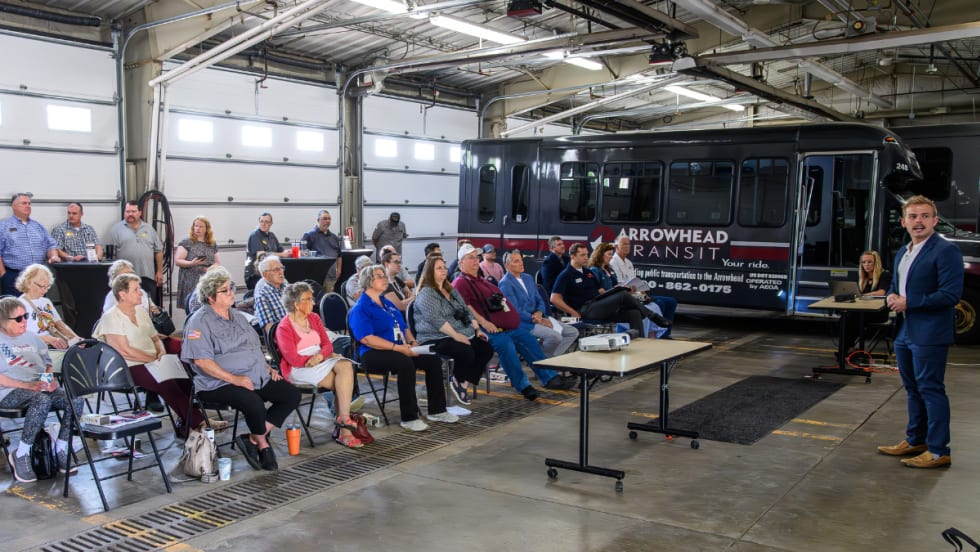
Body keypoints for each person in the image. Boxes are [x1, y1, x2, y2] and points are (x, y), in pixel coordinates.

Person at [181, 267, 302, 472]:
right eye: (225, 290)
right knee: (253, 403)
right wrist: (235, 379)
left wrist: (266, 367)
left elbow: (252, 347)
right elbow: (201, 361)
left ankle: (253, 437)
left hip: (254, 375)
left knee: (291, 395)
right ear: (211, 297)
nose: (231, 293)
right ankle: (263, 444)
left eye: (231, 288)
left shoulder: (237, 315)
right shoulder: (198, 322)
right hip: (218, 382)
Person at [878, 195, 963, 469]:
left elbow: (950, 294)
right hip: (905, 329)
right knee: (912, 388)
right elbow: (897, 285)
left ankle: (938, 451)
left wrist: (909, 302)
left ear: (935, 221)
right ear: (903, 222)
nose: (919, 221)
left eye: (925, 216)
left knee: (930, 389)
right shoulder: (904, 251)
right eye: (913, 216)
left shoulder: (946, 250)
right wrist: (891, 296)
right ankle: (916, 440)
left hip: (930, 332)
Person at [93, 273, 214, 438]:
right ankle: (199, 423)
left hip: (152, 360)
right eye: (136, 290)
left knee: (184, 375)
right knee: (166, 382)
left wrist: (161, 351)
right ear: (122, 294)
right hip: (127, 366)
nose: (141, 293)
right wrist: (153, 359)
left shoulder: (140, 311)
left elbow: (155, 337)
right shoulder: (111, 317)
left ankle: (186, 423)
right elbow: (124, 351)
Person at [452, 244, 573, 401]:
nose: (476, 261)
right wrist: (484, 323)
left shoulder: (482, 282)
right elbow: (466, 307)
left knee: (528, 339)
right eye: (471, 258)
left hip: (503, 325)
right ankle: (523, 385)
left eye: (476, 257)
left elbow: (502, 303)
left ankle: (549, 377)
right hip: (482, 328)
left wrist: (509, 318)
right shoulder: (460, 283)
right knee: (505, 344)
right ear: (461, 262)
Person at [349, 265, 457, 431]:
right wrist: (397, 348)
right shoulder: (360, 308)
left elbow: (404, 327)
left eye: (384, 275)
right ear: (368, 281)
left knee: (432, 360)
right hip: (373, 353)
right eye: (379, 276)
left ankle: (437, 410)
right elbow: (367, 339)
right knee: (405, 363)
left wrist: (413, 342)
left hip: (400, 348)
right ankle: (409, 417)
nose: (385, 279)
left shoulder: (386, 303)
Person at [0, 297, 84, 483]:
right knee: (41, 400)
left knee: (76, 399)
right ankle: (21, 454)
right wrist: (29, 386)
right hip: (8, 391)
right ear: (4, 321)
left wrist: (48, 381)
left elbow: (47, 363)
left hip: (37, 387)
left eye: (26, 316)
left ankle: (61, 447)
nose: (24, 321)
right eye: (19, 319)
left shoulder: (32, 337)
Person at [275, 282, 365, 449]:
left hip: (320, 360)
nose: (313, 302)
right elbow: (293, 359)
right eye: (308, 299)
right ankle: (344, 430)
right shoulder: (284, 327)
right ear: (296, 304)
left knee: (345, 366)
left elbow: (327, 345)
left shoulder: (314, 318)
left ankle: (343, 421)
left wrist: (320, 356)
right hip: (300, 368)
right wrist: (320, 357)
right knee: (342, 382)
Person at [413, 256, 494, 405]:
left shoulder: (450, 289)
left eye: (444, 267)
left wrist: (477, 329)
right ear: (430, 272)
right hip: (434, 336)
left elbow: (466, 310)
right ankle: (459, 379)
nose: (444, 270)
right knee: (466, 351)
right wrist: (456, 335)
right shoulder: (426, 293)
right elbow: (436, 319)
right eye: (439, 268)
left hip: (459, 332)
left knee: (486, 349)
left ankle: (462, 382)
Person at [551, 243, 657, 335]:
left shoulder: (588, 272)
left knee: (634, 313)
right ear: (572, 256)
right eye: (582, 255)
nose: (586, 258)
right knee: (623, 296)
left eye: (587, 254)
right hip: (584, 310)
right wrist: (572, 312)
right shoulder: (565, 275)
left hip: (598, 305)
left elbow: (600, 290)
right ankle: (652, 315)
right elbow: (554, 298)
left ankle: (639, 343)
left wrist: (613, 291)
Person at [498, 249, 578, 357]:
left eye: (521, 260)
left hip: (539, 317)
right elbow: (515, 310)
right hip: (523, 323)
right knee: (555, 337)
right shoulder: (505, 283)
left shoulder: (528, 278)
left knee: (572, 332)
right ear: (508, 266)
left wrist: (540, 313)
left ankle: (548, 358)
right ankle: (542, 360)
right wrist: (536, 319)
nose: (521, 263)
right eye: (516, 261)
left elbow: (539, 300)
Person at [609, 235, 678, 337]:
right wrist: (638, 293)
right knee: (660, 303)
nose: (627, 246)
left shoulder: (628, 262)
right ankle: (657, 335)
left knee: (671, 301)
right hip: (626, 295)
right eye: (624, 244)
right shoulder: (613, 262)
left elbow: (634, 282)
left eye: (628, 244)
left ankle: (665, 334)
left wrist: (642, 291)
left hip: (635, 293)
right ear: (616, 246)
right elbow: (620, 285)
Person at [0, 193, 59, 296]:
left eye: (29, 203)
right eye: (24, 203)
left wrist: (53, 255)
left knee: (38, 305)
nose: (28, 206)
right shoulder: (4, 226)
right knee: (16, 306)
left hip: (38, 277)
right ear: (14, 206)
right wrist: (3, 275)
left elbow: (51, 245)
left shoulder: (38, 226)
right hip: (14, 276)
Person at [106, 201, 164, 304]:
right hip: (125, 278)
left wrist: (159, 272)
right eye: (127, 211)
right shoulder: (116, 229)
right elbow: (110, 255)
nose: (130, 214)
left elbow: (158, 251)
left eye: (133, 211)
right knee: (127, 305)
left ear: (140, 212)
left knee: (149, 306)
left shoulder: (149, 229)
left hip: (147, 277)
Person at [16, 264, 79, 350]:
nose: (45, 291)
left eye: (47, 287)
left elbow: (61, 326)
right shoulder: (18, 305)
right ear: (28, 283)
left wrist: (76, 339)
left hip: (52, 346)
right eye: (42, 286)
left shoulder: (46, 301)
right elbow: (18, 337)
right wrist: (47, 339)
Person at [175, 217, 221, 313]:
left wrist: (209, 269)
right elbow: (178, 261)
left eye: (201, 226)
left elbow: (217, 263)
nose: (198, 228)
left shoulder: (212, 243)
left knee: (208, 309)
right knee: (192, 308)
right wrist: (192, 263)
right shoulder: (187, 242)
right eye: (196, 226)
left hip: (206, 280)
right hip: (190, 281)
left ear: (207, 229)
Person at [244, 212, 287, 290]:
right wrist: (282, 254)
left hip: (270, 273)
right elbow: (261, 255)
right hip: (255, 275)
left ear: (271, 223)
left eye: (266, 222)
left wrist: (289, 252)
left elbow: (281, 250)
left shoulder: (272, 235)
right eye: (261, 221)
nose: (263, 224)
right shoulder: (255, 235)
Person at [302, 209, 342, 279]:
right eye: (325, 219)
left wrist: (339, 270)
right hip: (316, 276)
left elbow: (339, 255)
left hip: (332, 276)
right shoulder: (309, 235)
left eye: (329, 219)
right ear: (318, 220)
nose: (328, 221)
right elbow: (302, 253)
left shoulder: (334, 237)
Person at [253, 256, 288, 332]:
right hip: (283, 334)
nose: (281, 272)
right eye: (276, 270)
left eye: (282, 268)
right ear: (265, 274)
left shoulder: (286, 285)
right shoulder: (262, 295)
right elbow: (270, 329)